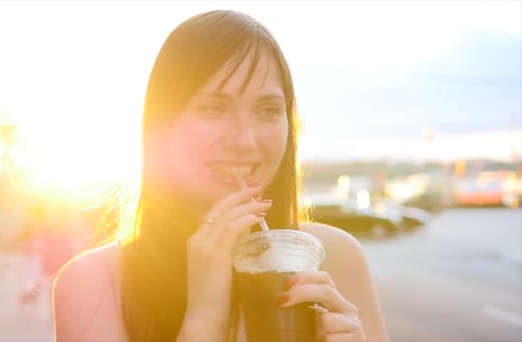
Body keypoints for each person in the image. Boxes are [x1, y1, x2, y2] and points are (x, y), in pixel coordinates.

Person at [53, 9, 388, 342]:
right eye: (214, 108)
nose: (245, 140)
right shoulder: (94, 283)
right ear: (162, 123)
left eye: (267, 110)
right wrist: (202, 322)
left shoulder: (336, 258)